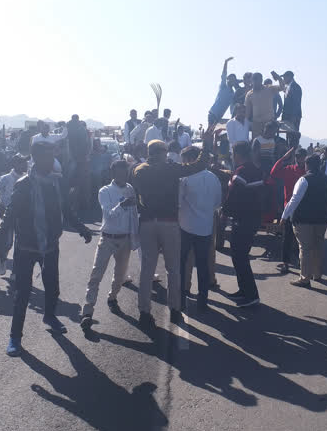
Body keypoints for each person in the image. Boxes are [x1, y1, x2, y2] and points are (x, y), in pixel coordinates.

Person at [0, 141, 93, 357]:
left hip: (50, 246)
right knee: (22, 293)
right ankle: (15, 337)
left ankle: (50, 317)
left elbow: (66, 210)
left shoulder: (57, 183)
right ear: (36, 159)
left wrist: (82, 229)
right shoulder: (24, 184)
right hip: (26, 247)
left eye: (53, 157)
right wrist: (0, 242)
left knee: (53, 287)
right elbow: (10, 216)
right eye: (48, 157)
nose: (52, 162)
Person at [131, 133, 212, 329]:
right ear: (162, 153)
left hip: (147, 223)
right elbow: (198, 166)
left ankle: (144, 312)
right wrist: (207, 145)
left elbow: (135, 196)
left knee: (147, 270)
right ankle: (175, 310)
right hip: (169, 222)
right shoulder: (170, 168)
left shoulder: (138, 170)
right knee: (173, 268)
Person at [80, 160, 138, 330]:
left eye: (125, 172)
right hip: (108, 238)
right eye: (119, 172)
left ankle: (112, 297)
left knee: (120, 276)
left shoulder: (130, 189)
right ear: (113, 174)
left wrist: (135, 238)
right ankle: (87, 312)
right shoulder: (104, 191)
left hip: (125, 239)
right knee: (96, 275)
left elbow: (133, 215)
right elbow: (109, 215)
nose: (123, 176)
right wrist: (122, 205)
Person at [281, 154, 327, 288]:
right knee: (318, 247)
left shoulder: (303, 180)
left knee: (305, 248)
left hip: (303, 220)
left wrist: (284, 217)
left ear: (307, 165)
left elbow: (294, 200)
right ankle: (317, 274)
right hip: (321, 219)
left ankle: (304, 278)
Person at [178, 146, 222, 312]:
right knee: (203, 265)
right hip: (205, 227)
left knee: (182, 264)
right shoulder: (213, 178)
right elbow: (217, 203)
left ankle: (182, 298)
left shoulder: (185, 178)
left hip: (186, 226)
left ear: (191, 160)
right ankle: (203, 300)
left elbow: (179, 203)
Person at [223, 141, 263, 307]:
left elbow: (233, 195)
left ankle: (251, 295)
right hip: (253, 218)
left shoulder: (242, 171)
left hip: (243, 219)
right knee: (241, 256)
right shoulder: (256, 170)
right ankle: (244, 290)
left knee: (239, 257)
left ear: (237, 154)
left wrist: (224, 212)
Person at [270, 146, 307, 273]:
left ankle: (301, 262)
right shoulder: (289, 169)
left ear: (305, 158)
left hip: (303, 209)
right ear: (294, 157)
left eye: (302, 156)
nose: (299, 159)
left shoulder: (308, 172)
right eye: (297, 156)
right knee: (287, 237)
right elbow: (273, 172)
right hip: (289, 208)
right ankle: (285, 262)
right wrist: (284, 158)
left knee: (301, 238)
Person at [0, 154, 28, 276]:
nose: (25, 165)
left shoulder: (27, 178)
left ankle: (16, 271)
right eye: (21, 162)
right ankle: (2, 259)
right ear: (15, 164)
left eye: (25, 162)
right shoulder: (5, 178)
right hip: (8, 213)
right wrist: (0, 206)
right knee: (7, 241)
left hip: (23, 214)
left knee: (21, 242)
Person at [245, 72, 284, 138]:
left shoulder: (269, 88)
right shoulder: (249, 94)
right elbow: (247, 111)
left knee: (269, 144)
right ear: (252, 80)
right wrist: (244, 123)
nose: (256, 81)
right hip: (256, 124)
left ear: (261, 80)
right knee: (257, 144)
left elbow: (282, 87)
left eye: (258, 79)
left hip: (269, 124)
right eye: (254, 79)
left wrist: (278, 77)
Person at [208, 57, 239, 126]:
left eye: (233, 80)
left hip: (219, 117)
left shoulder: (232, 94)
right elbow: (224, 74)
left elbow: (232, 108)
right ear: (228, 80)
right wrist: (226, 62)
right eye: (230, 79)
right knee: (209, 132)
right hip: (213, 114)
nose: (232, 81)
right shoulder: (223, 86)